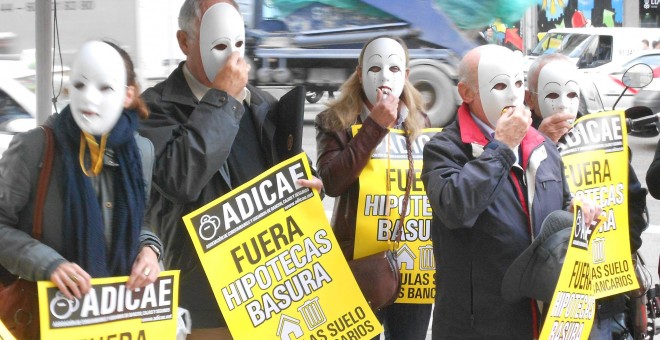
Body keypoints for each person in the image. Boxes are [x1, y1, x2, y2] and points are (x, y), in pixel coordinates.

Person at [138, 1, 322, 338]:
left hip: (270, 289)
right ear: (184, 42)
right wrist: (223, 99)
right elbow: (180, 178)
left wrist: (309, 184)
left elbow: (287, 172)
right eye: (219, 46)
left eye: (238, 44)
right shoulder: (155, 108)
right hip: (204, 293)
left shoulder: (261, 103)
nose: (232, 58)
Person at [420, 44, 600, 339]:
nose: (514, 96)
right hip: (478, 325)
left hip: (541, 315)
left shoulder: (541, 145)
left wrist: (576, 211)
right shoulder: (445, 149)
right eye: (500, 85)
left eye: (518, 83)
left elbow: (562, 202)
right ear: (467, 93)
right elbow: (455, 208)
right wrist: (502, 147)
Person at [0, 40, 161, 302]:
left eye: (105, 87)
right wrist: (48, 264)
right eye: (79, 85)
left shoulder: (141, 152)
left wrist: (150, 250)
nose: (89, 97)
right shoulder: (34, 148)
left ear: (128, 95)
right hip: (48, 314)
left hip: (116, 313)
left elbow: (139, 221)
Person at [315, 36, 432, 340]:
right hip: (357, 260)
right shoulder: (334, 121)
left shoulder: (420, 121)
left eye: (394, 69)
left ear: (406, 75)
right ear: (359, 72)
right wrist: (375, 126)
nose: (384, 77)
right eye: (375, 68)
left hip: (411, 262)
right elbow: (333, 181)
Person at [526, 53, 648, 339]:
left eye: (570, 91)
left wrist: (617, 253)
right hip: (542, 293)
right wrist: (539, 144)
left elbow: (632, 202)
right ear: (531, 98)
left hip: (603, 293)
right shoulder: (515, 140)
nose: (562, 103)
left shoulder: (602, 137)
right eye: (551, 91)